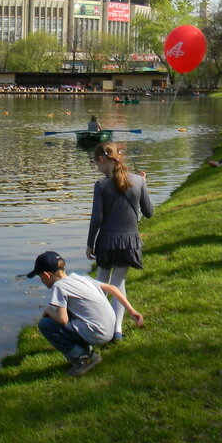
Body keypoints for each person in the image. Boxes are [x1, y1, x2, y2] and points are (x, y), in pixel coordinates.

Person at [26, 250, 144, 376]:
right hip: (109, 330)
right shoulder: (81, 278)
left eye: (40, 277)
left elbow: (62, 320)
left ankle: (83, 358)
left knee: (46, 324)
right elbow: (112, 288)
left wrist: (48, 310)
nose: (41, 281)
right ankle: (86, 351)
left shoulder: (59, 286)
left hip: (98, 334)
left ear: (46, 275)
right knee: (71, 312)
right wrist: (132, 311)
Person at [87, 142, 153, 342]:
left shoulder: (101, 185)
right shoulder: (138, 181)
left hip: (106, 242)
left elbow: (97, 218)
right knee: (118, 283)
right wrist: (144, 184)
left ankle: (94, 323)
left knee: (101, 282)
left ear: (102, 159)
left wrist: (90, 243)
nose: (97, 168)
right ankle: (117, 330)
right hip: (129, 242)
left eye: (96, 164)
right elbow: (149, 213)